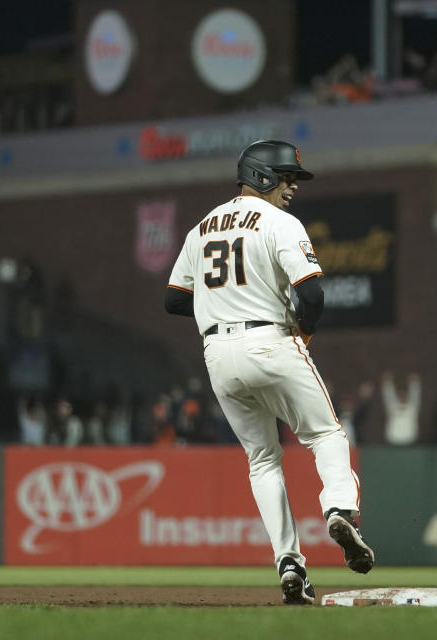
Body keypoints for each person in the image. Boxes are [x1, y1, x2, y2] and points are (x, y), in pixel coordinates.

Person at [164, 139, 374, 605]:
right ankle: (340, 509)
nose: (292, 186)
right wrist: (303, 330)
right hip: (270, 341)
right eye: (285, 177)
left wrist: (223, 305)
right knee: (325, 435)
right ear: (259, 176)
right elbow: (313, 296)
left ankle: (289, 563)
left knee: (262, 460)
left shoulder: (201, 228)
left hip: (217, 354)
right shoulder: (280, 222)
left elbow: (175, 299)